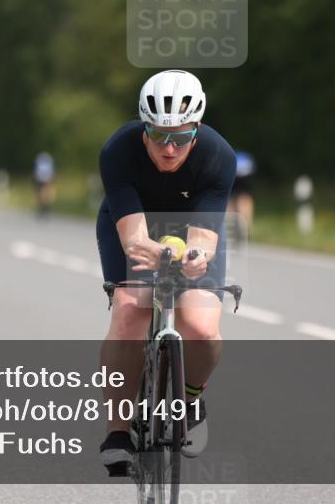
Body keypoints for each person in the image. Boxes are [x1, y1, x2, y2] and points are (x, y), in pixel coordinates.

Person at [96, 70, 236, 472]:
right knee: (129, 311)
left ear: (198, 128)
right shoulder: (118, 151)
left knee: (202, 326)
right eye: (159, 135)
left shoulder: (218, 156)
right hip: (133, 226)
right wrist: (159, 255)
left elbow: (205, 240)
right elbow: (134, 239)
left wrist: (195, 258)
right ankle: (119, 430)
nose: (170, 148)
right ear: (144, 128)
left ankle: (189, 399)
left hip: (191, 229)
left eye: (182, 136)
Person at [228, 150, 256, 243]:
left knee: (231, 200)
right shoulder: (245, 157)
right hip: (246, 173)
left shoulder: (229, 154)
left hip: (234, 173)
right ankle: (246, 226)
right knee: (244, 198)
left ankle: (230, 226)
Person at [32, 151, 56, 218]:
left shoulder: (41, 160)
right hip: (44, 179)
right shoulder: (48, 160)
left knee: (43, 194)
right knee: (44, 194)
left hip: (43, 179)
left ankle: (44, 209)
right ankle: (43, 209)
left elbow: (36, 172)